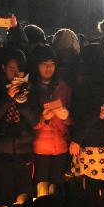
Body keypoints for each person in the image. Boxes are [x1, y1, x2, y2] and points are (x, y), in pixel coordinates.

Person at [0, 48, 39, 205]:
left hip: (24, 151)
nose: (16, 74)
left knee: (24, 197)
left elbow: (35, 121)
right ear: (3, 68)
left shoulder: (31, 90)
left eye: (20, 70)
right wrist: (8, 97)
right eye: (12, 69)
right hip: (2, 151)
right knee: (4, 197)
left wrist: (22, 102)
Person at [68, 44, 104, 181]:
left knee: (88, 186)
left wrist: (77, 139)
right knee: (93, 186)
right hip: (99, 140)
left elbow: (93, 112)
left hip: (93, 142)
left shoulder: (95, 83)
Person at [31, 45, 73, 186]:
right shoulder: (30, 88)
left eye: (52, 64)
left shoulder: (64, 87)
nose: (49, 68)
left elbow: (73, 119)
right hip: (39, 147)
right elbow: (27, 121)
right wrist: (43, 119)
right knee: (41, 189)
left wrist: (66, 116)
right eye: (44, 64)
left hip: (60, 146)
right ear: (36, 66)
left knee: (58, 188)